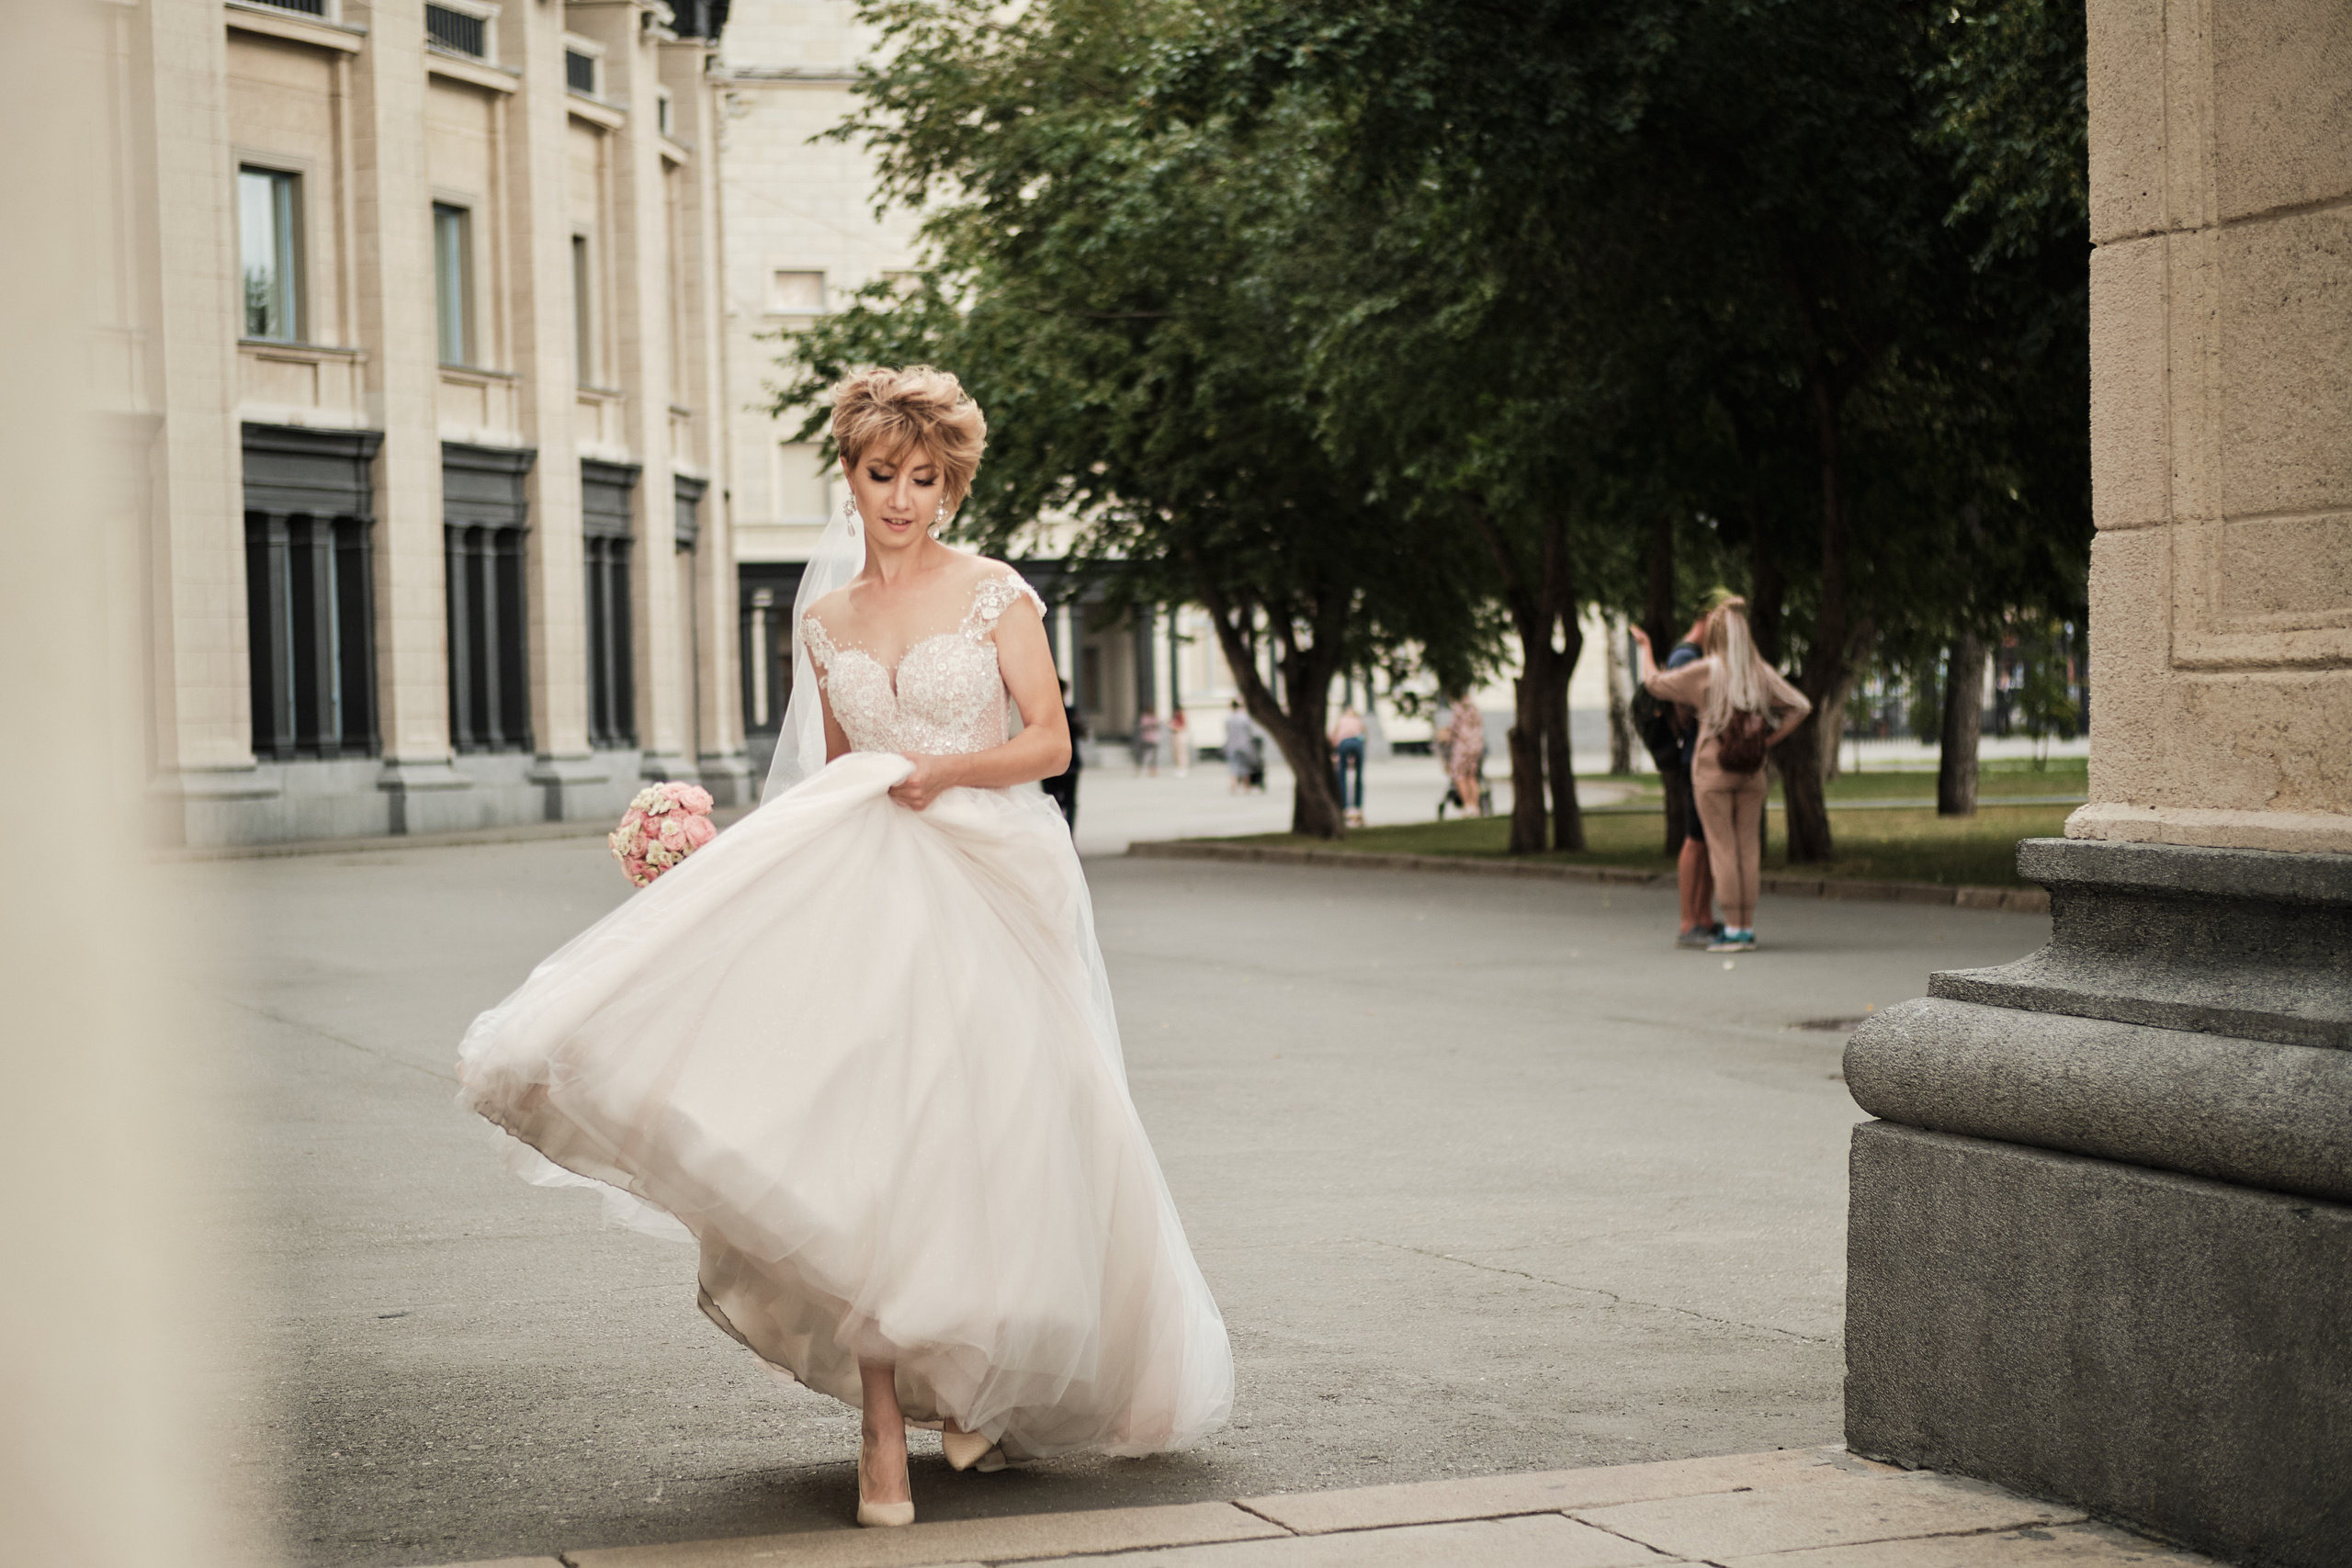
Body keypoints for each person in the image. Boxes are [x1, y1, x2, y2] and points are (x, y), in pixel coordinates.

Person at [455, 367, 1232, 1529]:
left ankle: (969, 1381)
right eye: (881, 475)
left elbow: (1050, 744)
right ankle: (880, 1429)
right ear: (852, 478)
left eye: (924, 479)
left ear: (951, 486)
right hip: (869, 889)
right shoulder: (823, 624)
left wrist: (946, 770)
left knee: (996, 1137)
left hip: (992, 879)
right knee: (867, 1146)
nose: (902, 499)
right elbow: (825, 777)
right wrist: (717, 865)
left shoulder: (996, 593)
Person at [1633, 597, 1812, 953]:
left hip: (1712, 772)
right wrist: (1767, 741)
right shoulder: (1759, 672)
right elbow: (1801, 706)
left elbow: (1654, 683)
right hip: (1751, 772)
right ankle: (1746, 928)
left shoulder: (1706, 671)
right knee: (1748, 849)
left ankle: (1731, 929)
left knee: (1723, 850)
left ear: (1715, 635)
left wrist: (1645, 648)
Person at [1661, 615, 1719, 948]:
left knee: (1706, 840)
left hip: (1698, 757)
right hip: (1694, 759)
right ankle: (1688, 921)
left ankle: (1703, 917)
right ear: (1705, 618)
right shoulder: (1685, 656)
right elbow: (1682, 710)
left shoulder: (1694, 654)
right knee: (1695, 839)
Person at [1041, 676, 1083, 829]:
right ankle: (1067, 832)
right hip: (1068, 763)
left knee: (1052, 800)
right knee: (1069, 801)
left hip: (1051, 763)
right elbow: (1082, 734)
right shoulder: (1070, 713)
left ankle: (1056, 830)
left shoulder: (1045, 713)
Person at [1446, 693, 1485, 818]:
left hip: (1463, 747)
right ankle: (1475, 806)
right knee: (1472, 776)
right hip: (1476, 746)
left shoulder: (1459, 710)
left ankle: (1467, 805)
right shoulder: (1475, 710)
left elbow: (1454, 730)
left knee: (1460, 776)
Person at [1329, 705, 1366, 828]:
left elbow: (1333, 737)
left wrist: (1335, 753)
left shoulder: (1341, 720)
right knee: (1358, 777)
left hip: (1344, 743)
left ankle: (1344, 805)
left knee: (1342, 776)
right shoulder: (1358, 719)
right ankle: (1358, 806)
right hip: (1357, 743)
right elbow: (1364, 735)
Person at [1224, 700, 1257, 795]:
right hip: (1244, 745)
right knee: (1245, 767)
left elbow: (1227, 732)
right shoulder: (1244, 718)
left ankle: (1233, 786)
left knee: (1233, 766)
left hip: (1232, 745)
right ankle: (1246, 787)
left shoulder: (1228, 719)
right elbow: (1251, 731)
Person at [1134, 707, 1161, 776]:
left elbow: (1143, 727)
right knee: (1153, 756)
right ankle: (1153, 771)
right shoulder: (1154, 718)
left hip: (1147, 738)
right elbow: (1157, 727)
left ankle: (1142, 769)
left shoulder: (1145, 718)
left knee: (1144, 755)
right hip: (1154, 739)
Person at [1169, 707, 1191, 776]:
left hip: (1180, 735)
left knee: (1182, 753)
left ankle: (1183, 768)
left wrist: (1173, 727)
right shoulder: (1175, 718)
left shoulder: (1182, 718)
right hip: (1175, 735)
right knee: (1176, 752)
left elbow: (1183, 727)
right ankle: (1178, 767)